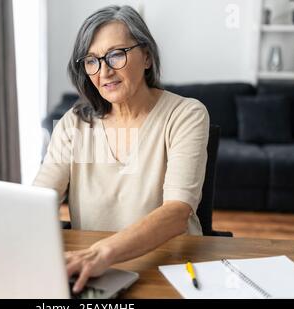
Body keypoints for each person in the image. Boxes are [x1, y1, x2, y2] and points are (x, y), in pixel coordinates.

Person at [33, 5, 209, 294]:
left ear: (147, 56)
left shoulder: (186, 114)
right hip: (94, 271)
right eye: (92, 60)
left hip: (168, 266)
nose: (104, 71)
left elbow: (178, 212)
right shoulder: (74, 123)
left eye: (116, 54)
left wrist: (103, 253)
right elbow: (40, 201)